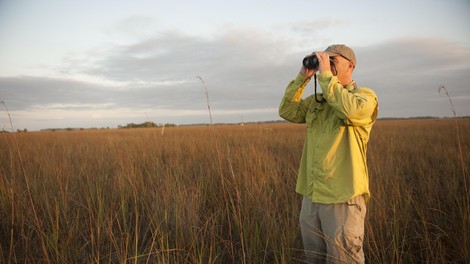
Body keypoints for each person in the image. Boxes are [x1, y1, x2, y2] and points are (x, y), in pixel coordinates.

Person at [278, 44, 378, 263]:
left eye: (333, 61)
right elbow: (287, 110)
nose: (327, 65)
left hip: (343, 198)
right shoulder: (318, 102)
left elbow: (349, 109)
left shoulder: (364, 97)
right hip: (312, 196)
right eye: (325, 60)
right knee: (314, 258)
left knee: (343, 259)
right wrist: (303, 77)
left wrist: (325, 77)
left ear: (350, 65)